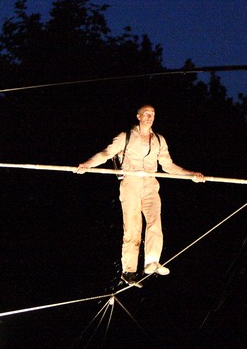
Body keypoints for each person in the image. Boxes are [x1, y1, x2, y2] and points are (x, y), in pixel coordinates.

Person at [76, 104, 204, 285]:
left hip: (151, 185)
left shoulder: (159, 140)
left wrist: (190, 174)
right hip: (131, 184)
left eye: (152, 114)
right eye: (146, 114)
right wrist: (87, 164)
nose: (150, 117)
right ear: (138, 116)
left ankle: (151, 261)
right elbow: (106, 153)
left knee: (154, 221)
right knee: (133, 227)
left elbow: (168, 166)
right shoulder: (126, 137)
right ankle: (129, 270)